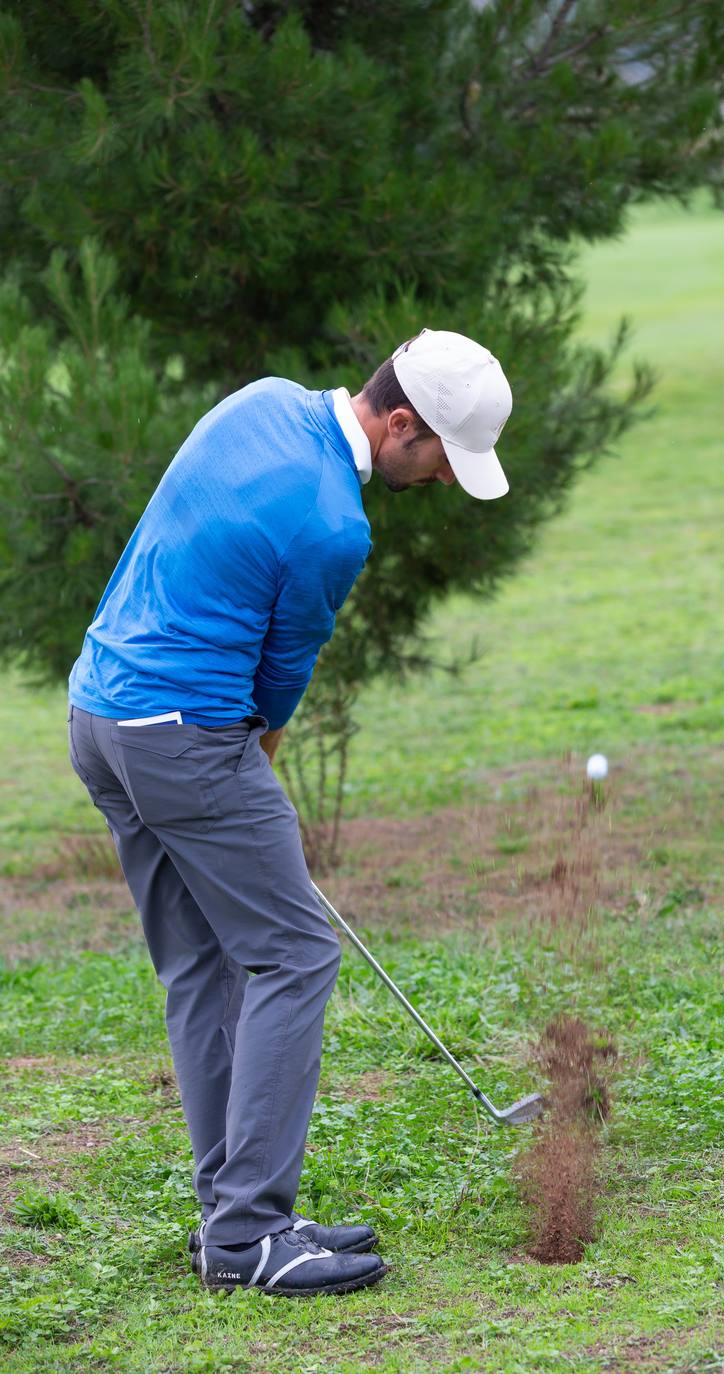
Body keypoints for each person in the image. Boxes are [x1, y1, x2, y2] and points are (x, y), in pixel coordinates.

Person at [66, 329, 512, 1298]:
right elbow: (278, 676)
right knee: (293, 954)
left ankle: (230, 1219)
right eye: (439, 454)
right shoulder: (333, 526)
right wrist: (245, 783)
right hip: (184, 735)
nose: (440, 477)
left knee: (203, 965)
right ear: (400, 424)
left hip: (100, 716)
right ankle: (253, 1238)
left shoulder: (260, 399)